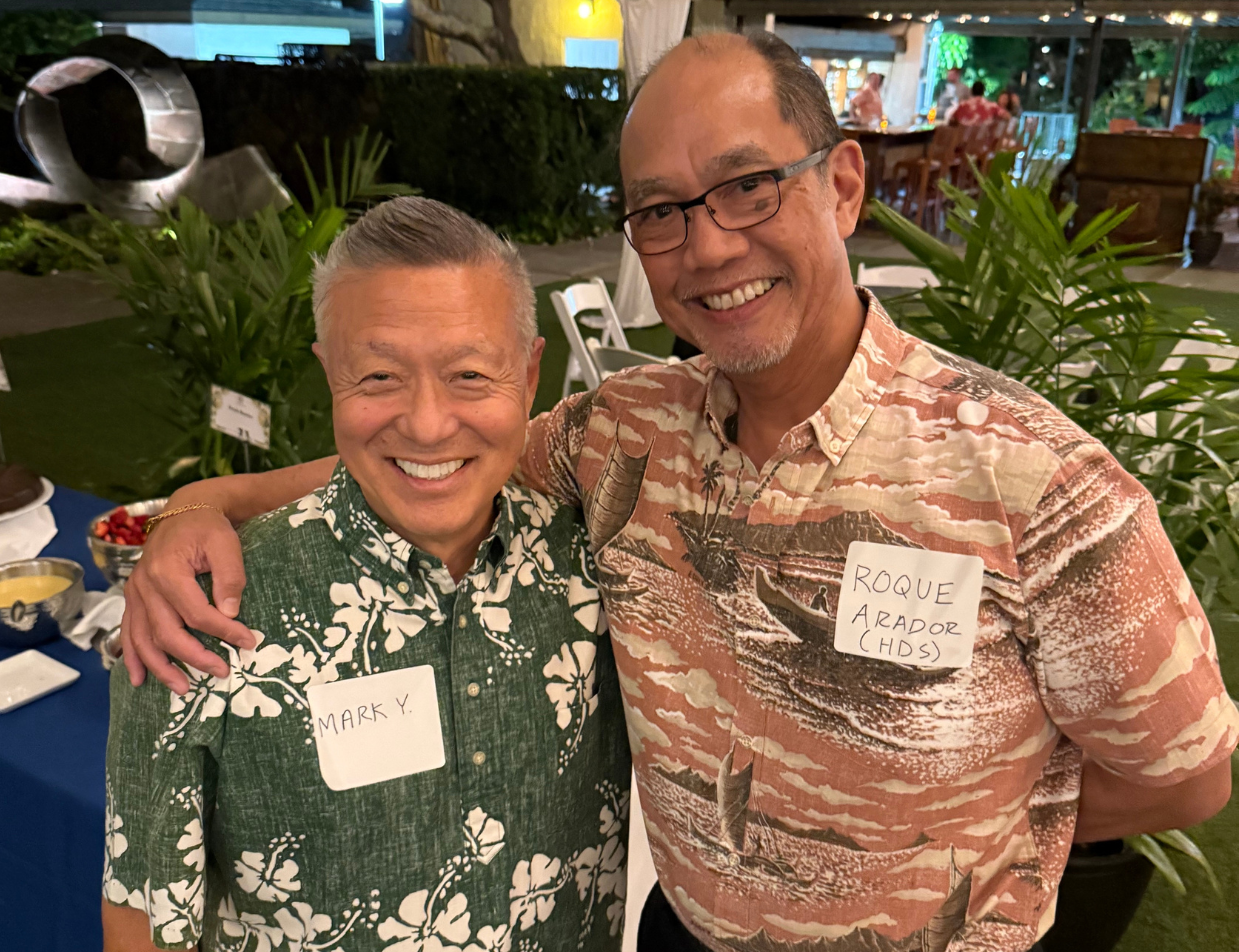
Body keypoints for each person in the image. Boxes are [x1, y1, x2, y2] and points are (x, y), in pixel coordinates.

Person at [120, 32, 1236, 952]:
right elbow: (439, 448)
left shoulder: (1035, 483)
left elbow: (1188, 776)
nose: (707, 245)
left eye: (748, 187)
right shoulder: (624, 435)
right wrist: (205, 505)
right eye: (661, 210)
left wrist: (964, 824)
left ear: (841, 185)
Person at [101, 198, 631, 951]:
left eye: (470, 374)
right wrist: (190, 511)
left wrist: (198, 498)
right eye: (379, 375)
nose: (426, 422)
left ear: (531, 372)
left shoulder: (602, 569)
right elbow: (142, 917)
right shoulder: (199, 613)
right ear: (329, 374)